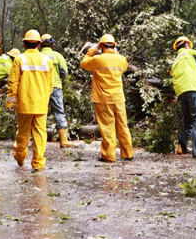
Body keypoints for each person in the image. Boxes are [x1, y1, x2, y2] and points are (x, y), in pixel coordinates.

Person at [80, 34, 134, 162]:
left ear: (102, 46)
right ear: (114, 46)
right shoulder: (121, 59)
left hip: (102, 98)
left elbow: (84, 63)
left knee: (107, 126)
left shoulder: (98, 59)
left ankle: (109, 155)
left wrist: (93, 49)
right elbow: (124, 68)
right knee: (122, 125)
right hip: (118, 98)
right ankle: (127, 153)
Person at [6, 30, 53, 171]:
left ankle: (20, 156)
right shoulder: (46, 60)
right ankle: (38, 164)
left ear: (25, 44)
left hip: (24, 103)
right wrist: (45, 98)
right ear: (39, 44)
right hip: (40, 103)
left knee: (22, 132)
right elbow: (50, 84)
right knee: (40, 133)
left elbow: (13, 83)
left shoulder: (19, 59)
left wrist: (10, 101)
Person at [40, 33, 72, 148]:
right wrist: (59, 80)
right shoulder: (57, 56)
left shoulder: (38, 56)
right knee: (59, 112)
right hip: (55, 86)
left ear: (40, 44)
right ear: (52, 44)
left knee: (40, 113)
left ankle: (39, 140)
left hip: (41, 87)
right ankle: (64, 141)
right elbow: (64, 72)